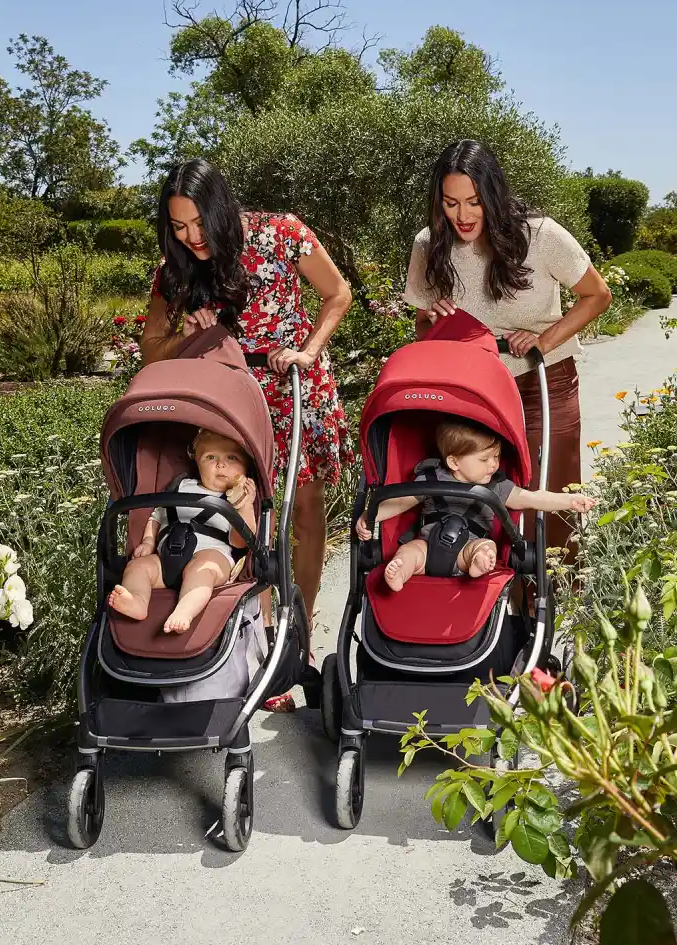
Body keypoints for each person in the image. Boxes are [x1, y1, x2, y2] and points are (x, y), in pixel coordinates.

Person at [141, 159, 353, 708]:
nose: (190, 237)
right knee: (246, 517)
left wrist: (309, 347)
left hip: (292, 385)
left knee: (304, 510)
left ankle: (298, 641)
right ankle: (255, 633)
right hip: (230, 403)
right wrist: (187, 338)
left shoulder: (282, 233)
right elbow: (151, 351)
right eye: (179, 227)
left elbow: (338, 294)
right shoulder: (176, 267)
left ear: (220, 208)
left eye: (197, 223)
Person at [403, 140, 611, 556]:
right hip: (472, 388)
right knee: (483, 499)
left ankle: (558, 600)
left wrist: (543, 341)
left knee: (549, 494)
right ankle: (505, 607)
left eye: (474, 202)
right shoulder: (429, 243)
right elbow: (422, 330)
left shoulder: (542, 235)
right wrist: (432, 320)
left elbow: (598, 295)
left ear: (493, 194)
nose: (462, 216)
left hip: (541, 381)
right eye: (450, 203)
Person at [355, 416, 596, 589]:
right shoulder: (430, 478)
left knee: (485, 547)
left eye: (497, 457)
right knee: (409, 552)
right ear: (454, 462)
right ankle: (400, 571)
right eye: (485, 459)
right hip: (428, 547)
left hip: (467, 549)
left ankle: (479, 563)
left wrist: (569, 500)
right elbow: (399, 503)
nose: (494, 465)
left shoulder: (497, 486)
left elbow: (530, 499)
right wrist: (371, 515)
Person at [108, 429, 257, 634]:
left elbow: (242, 542)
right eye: (210, 457)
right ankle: (138, 601)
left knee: (201, 571)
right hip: (166, 558)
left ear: (246, 467)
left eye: (232, 458)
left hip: (211, 557)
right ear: (196, 461)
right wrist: (148, 542)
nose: (220, 464)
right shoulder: (181, 485)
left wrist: (246, 507)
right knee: (138, 567)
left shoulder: (235, 502)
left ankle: (185, 610)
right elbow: (158, 515)